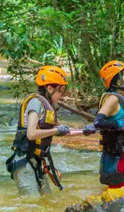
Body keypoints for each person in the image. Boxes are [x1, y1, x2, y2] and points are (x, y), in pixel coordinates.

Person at [5, 65, 81, 195]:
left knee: (48, 200)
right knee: (32, 205)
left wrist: (87, 131)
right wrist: (56, 130)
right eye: (60, 91)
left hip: (37, 162)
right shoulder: (35, 103)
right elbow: (31, 133)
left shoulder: (48, 109)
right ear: (49, 88)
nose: (62, 95)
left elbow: (65, 130)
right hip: (24, 162)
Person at [90, 60, 124, 189]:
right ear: (117, 80)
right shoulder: (112, 99)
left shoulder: (122, 100)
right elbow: (98, 122)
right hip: (116, 161)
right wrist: (121, 124)